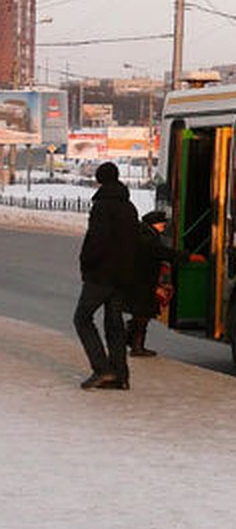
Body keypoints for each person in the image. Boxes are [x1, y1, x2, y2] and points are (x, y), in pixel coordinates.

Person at [74, 161, 139, 390]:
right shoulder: (129, 206)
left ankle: (102, 369)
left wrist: (86, 263)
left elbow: (96, 241)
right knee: (114, 325)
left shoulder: (102, 206)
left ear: (100, 179)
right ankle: (120, 375)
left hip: (101, 275)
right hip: (123, 276)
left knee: (82, 319)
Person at [123, 210, 184, 357]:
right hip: (142, 282)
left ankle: (129, 340)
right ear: (155, 224)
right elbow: (161, 252)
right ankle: (136, 347)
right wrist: (184, 256)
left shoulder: (145, 234)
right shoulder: (147, 238)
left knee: (141, 314)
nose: (164, 226)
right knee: (142, 314)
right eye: (162, 223)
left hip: (140, 281)